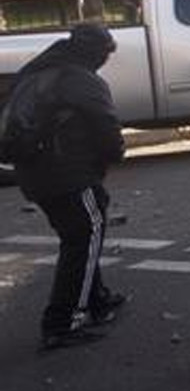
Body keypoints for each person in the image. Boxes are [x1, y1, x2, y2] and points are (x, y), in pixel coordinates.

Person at [3, 23, 127, 350]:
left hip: (35, 172)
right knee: (85, 235)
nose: (105, 60)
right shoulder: (81, 80)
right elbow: (105, 125)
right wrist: (115, 155)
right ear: (96, 51)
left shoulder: (40, 70)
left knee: (79, 237)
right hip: (68, 173)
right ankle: (63, 321)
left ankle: (97, 297)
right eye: (105, 53)